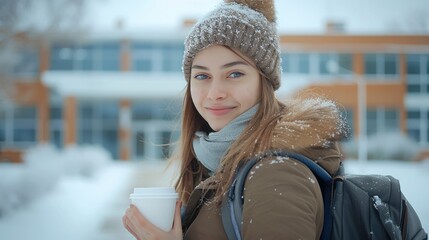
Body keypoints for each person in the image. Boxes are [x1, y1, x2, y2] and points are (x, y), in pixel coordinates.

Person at [122, 0, 347, 239]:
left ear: (265, 83)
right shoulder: (213, 165)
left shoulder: (277, 174)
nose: (215, 92)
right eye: (202, 75)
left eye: (235, 73)